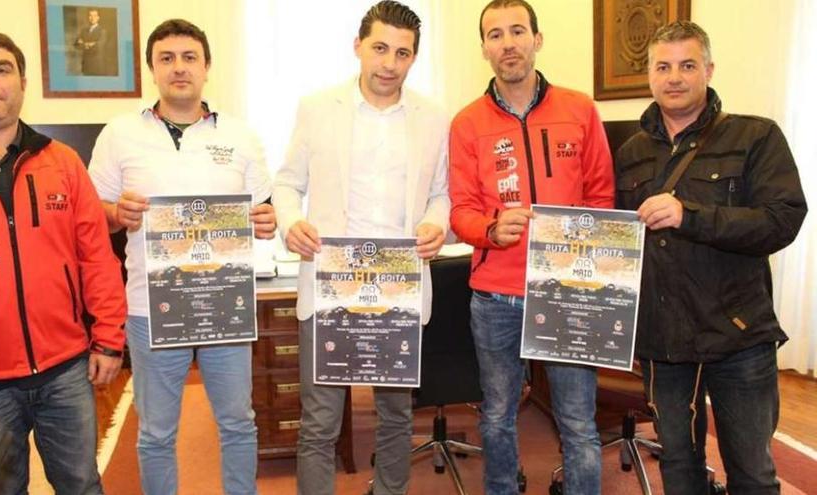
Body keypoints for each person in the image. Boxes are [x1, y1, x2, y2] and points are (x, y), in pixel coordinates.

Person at [615, 20, 807, 495]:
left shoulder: (755, 136)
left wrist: (691, 215)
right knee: (678, 465)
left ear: (709, 70)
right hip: (664, 342)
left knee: (752, 472)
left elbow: (782, 220)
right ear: (649, 74)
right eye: (663, 66)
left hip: (737, 336)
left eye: (687, 65)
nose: (674, 77)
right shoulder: (632, 151)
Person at [87, 19, 275, 495]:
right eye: (166, 58)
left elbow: (264, 210)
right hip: (152, 309)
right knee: (155, 432)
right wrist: (116, 212)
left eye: (189, 57)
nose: (179, 68)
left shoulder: (241, 136)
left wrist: (266, 221)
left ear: (207, 67)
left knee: (238, 422)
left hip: (225, 305)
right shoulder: (118, 134)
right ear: (153, 68)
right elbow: (93, 219)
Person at [0, 29, 126, 494]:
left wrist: (107, 338)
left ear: (21, 82)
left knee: (81, 484)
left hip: (65, 367)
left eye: (1, 69)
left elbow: (96, 257)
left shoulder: (61, 162)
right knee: (0, 488)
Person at [273, 2, 449, 493]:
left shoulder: (434, 118)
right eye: (380, 48)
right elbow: (286, 183)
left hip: (399, 286)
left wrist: (437, 221)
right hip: (330, 285)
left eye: (402, 53)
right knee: (320, 421)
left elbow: (441, 191)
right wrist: (291, 221)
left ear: (414, 58)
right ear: (358, 47)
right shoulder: (316, 107)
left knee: (396, 415)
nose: (389, 63)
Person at [448, 1, 614, 493]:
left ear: (537, 39)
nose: (508, 43)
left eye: (517, 31)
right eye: (495, 35)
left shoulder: (580, 108)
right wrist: (491, 229)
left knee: (578, 421)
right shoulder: (466, 123)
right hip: (496, 295)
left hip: (566, 291)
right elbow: (460, 211)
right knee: (497, 415)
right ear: (483, 48)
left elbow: (602, 197)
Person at [75, 8, 107, 75]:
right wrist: (90, 44)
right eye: (90, 15)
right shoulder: (84, 30)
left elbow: (98, 46)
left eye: (95, 16)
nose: (92, 18)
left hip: (97, 66)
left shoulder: (102, 31)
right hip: (86, 65)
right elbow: (76, 44)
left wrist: (83, 44)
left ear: (98, 18)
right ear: (88, 17)